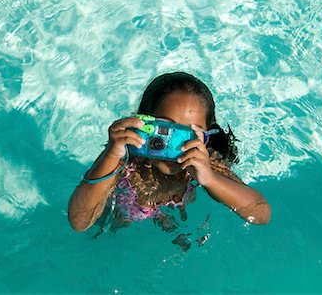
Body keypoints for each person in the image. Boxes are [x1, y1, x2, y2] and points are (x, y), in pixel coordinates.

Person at [68, 72, 271, 235]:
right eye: (166, 129)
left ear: (206, 134)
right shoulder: (125, 157)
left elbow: (261, 214)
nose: (176, 146)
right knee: (110, 227)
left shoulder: (203, 159)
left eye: (190, 134)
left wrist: (210, 179)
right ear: (144, 122)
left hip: (173, 216)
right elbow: (80, 222)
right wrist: (112, 155)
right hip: (126, 213)